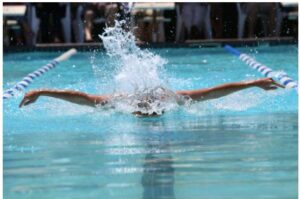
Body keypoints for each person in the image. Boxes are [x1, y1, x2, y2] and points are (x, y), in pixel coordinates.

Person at [19, 78, 284, 116]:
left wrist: (254, 83)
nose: (149, 111)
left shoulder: (171, 99)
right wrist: (41, 91)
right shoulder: (119, 102)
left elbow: (214, 92)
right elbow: (82, 97)